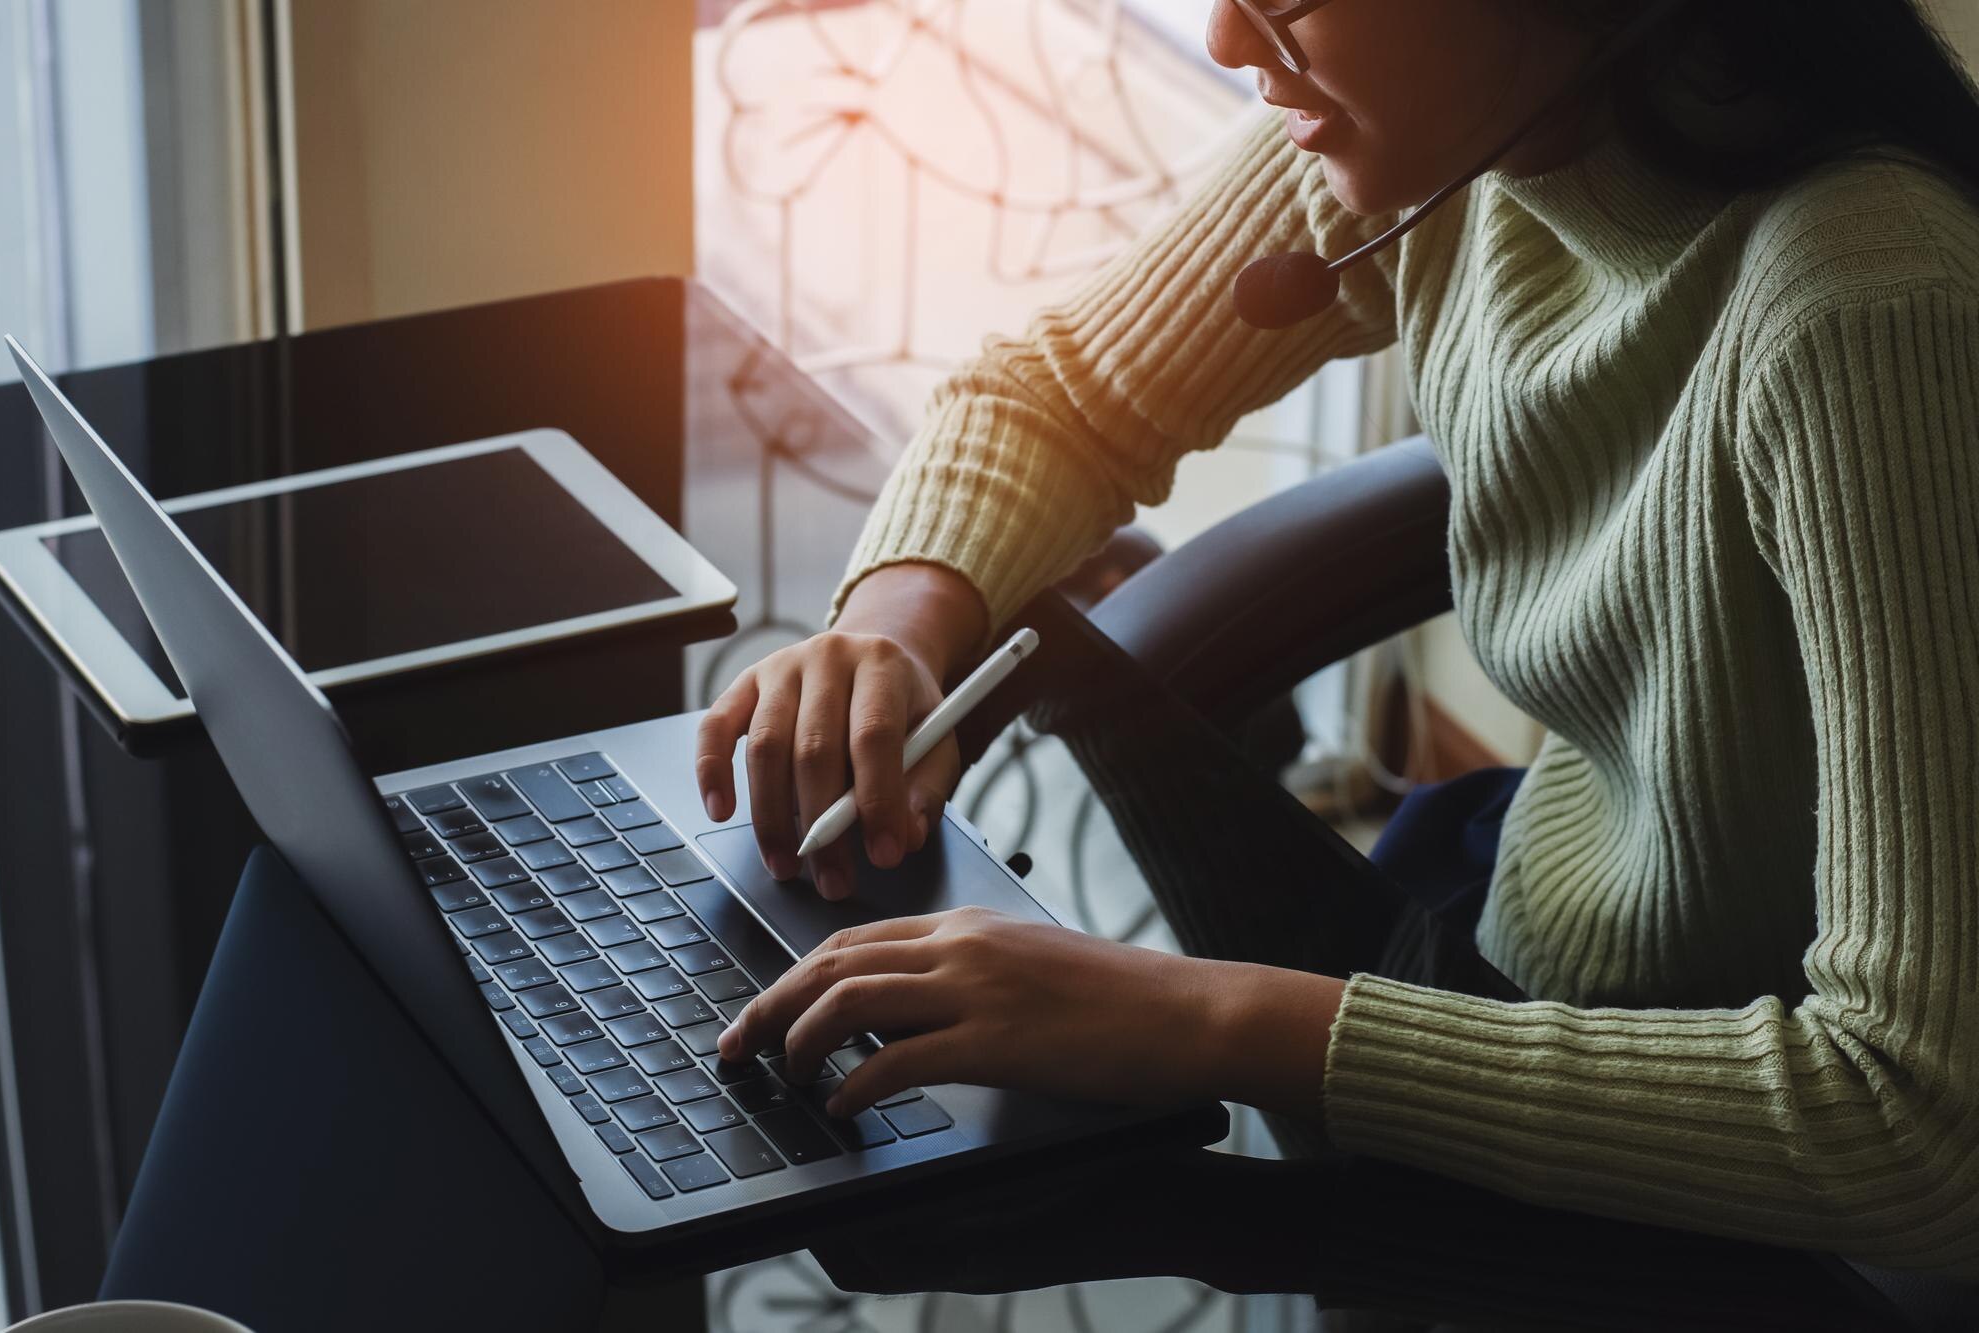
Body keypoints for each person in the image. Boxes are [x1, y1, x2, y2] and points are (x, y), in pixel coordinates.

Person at [694, 0, 1979, 1276]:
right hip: (1508, 919)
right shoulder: (1464, 136)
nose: (1224, 41)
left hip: (1733, 1157)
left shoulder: (1868, 314)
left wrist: (1200, 1021)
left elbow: (1912, 1125)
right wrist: (888, 627)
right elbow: (1064, 395)